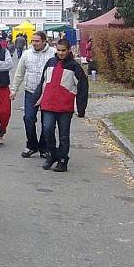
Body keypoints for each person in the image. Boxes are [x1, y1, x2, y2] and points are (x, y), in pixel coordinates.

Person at [35, 39, 89, 173]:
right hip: (48, 105)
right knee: (47, 130)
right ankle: (52, 154)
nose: (60, 53)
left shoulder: (74, 67)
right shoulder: (50, 63)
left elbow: (82, 88)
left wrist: (81, 108)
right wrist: (37, 99)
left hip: (65, 107)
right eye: (58, 50)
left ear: (68, 50)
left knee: (63, 135)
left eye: (63, 50)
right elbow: (43, 82)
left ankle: (63, 160)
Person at [10, 31, 54, 159]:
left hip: (48, 93)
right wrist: (14, 90)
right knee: (28, 119)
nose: (34, 43)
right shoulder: (27, 54)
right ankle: (31, 145)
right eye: (32, 41)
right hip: (30, 91)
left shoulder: (53, 53)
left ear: (44, 41)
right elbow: (19, 73)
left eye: (37, 41)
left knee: (47, 123)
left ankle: (44, 147)